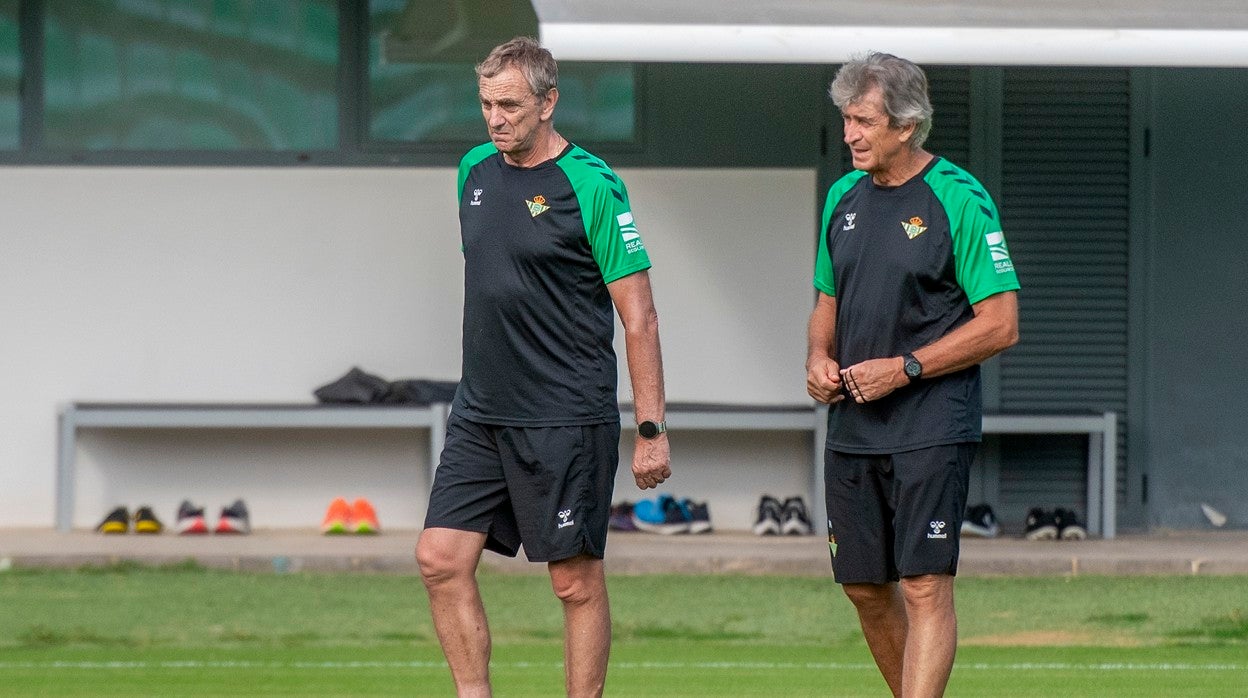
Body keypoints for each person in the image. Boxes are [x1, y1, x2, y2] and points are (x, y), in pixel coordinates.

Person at [415, 36, 670, 698]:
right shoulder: (473, 169)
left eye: (510, 105)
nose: (495, 119)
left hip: (564, 414)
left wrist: (651, 428)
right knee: (440, 561)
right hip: (480, 412)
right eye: (485, 104)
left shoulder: (591, 184)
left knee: (573, 581)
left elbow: (638, 317)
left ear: (548, 102)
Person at [806, 52, 1020, 697]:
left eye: (864, 121)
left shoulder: (959, 197)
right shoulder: (842, 196)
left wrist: (906, 368)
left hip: (931, 423)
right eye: (846, 119)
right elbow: (826, 303)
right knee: (866, 588)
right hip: (851, 427)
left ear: (907, 125)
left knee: (925, 583)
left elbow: (1002, 323)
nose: (850, 134)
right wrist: (818, 358)